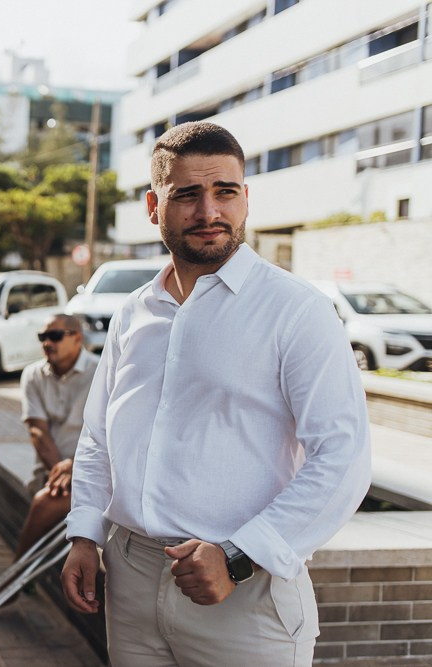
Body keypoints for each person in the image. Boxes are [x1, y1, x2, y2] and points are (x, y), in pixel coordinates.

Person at [60, 121, 372, 666]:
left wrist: (239, 556)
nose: (209, 212)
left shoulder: (297, 311)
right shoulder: (132, 313)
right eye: (187, 195)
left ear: (245, 199)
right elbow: (98, 436)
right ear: (154, 207)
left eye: (225, 192)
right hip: (129, 579)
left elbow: (343, 458)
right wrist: (84, 533)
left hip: (244, 594)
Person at [16, 314, 99, 558]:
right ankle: (20, 577)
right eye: (42, 337)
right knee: (47, 498)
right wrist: (59, 473)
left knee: (44, 503)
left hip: (94, 474)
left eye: (55, 336)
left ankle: (11, 583)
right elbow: (37, 431)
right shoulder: (33, 374)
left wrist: (75, 467)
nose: (47, 343)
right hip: (51, 471)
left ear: (77, 339)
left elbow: (114, 433)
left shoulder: (101, 372)